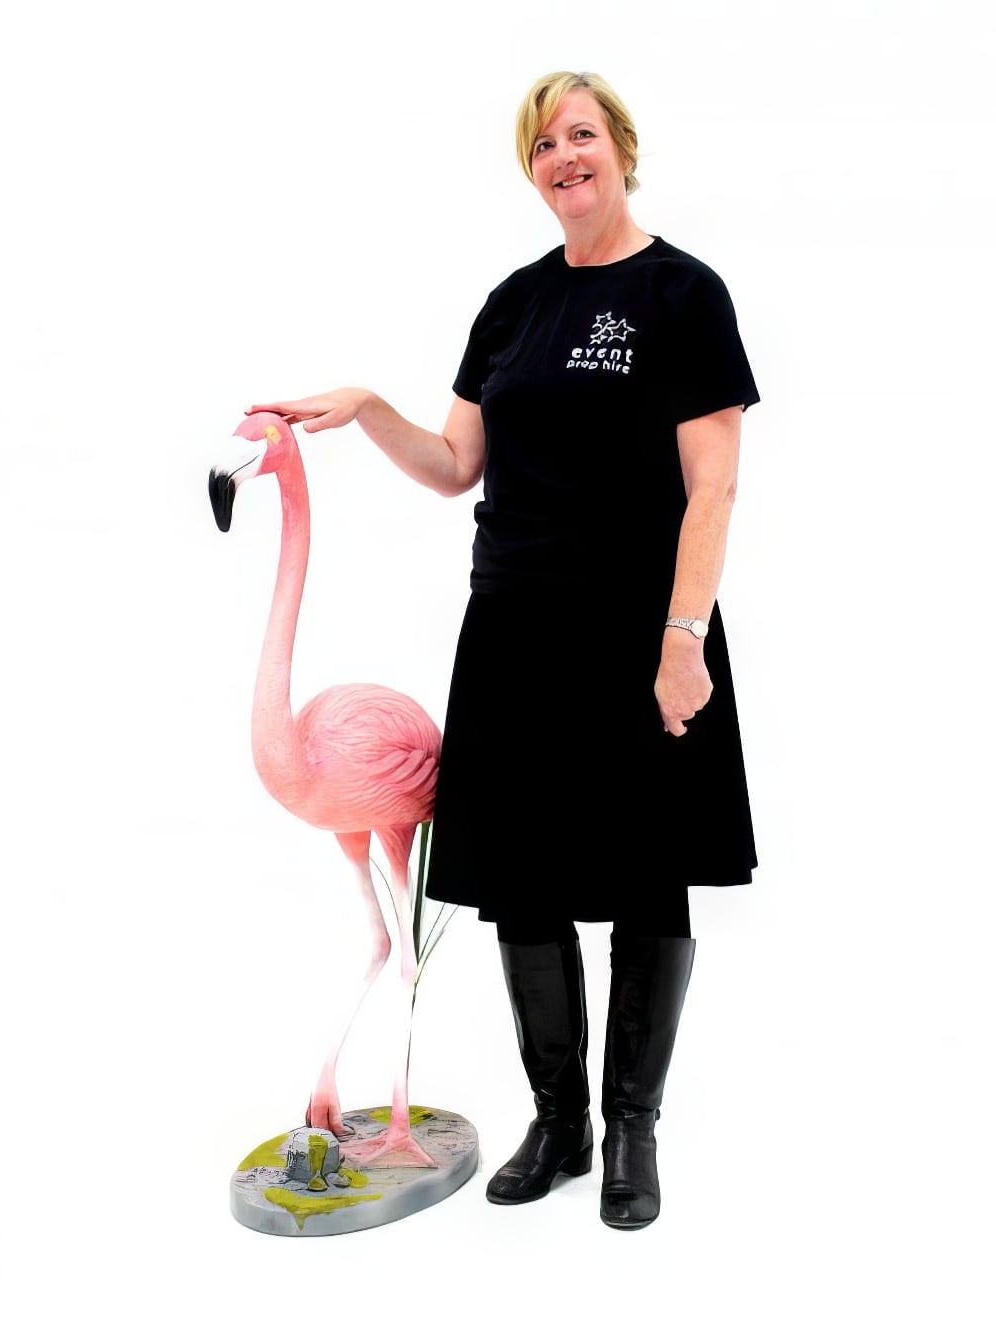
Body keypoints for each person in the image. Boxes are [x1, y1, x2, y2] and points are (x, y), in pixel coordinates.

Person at [249, 69, 759, 1231]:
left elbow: (713, 487)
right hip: (514, 631)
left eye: (580, 134)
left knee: (645, 878)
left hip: (640, 630)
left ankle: (631, 1131)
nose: (562, 157)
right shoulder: (513, 304)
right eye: (542, 144)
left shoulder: (683, 294)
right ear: (531, 171)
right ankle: (559, 1122)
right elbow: (454, 465)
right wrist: (367, 407)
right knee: (522, 884)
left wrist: (682, 637)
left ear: (619, 147)